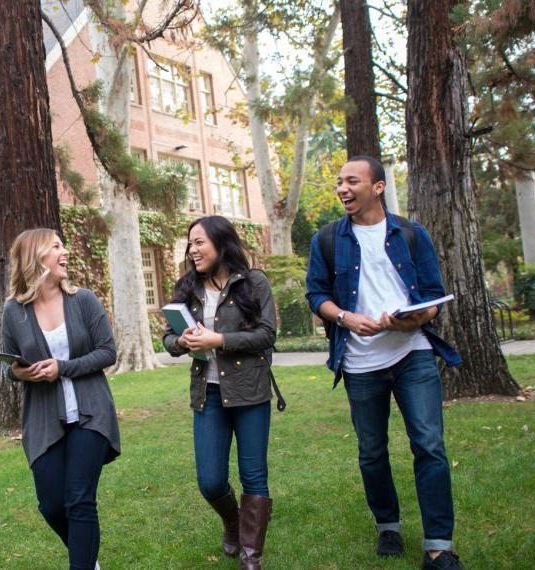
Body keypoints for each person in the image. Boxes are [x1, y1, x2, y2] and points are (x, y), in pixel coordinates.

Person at [304, 156, 464, 570]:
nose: (342, 188)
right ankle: (387, 526)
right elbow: (316, 295)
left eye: (351, 181)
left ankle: (439, 546)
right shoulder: (325, 239)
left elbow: (433, 296)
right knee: (372, 451)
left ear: (377, 187)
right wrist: (346, 317)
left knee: (429, 446)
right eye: (339, 182)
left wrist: (414, 317)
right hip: (359, 363)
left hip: (413, 353)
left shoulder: (411, 234)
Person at [162, 215, 278, 570]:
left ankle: (251, 557)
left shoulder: (253, 282)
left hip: (250, 391)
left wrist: (219, 340)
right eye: (190, 243)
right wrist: (180, 340)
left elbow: (266, 335)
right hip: (207, 394)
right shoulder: (187, 288)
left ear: (221, 242)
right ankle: (232, 521)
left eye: (200, 242)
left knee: (253, 475)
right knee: (210, 481)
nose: (193, 250)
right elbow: (167, 338)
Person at [0, 228, 119, 570]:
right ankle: (88, 559)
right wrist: (20, 373)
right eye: (56, 247)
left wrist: (62, 368)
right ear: (36, 258)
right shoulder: (14, 311)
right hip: (43, 419)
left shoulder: (83, 300)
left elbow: (107, 352)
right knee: (51, 505)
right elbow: (10, 364)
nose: (64, 252)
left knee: (80, 501)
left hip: (90, 413)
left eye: (63, 246)